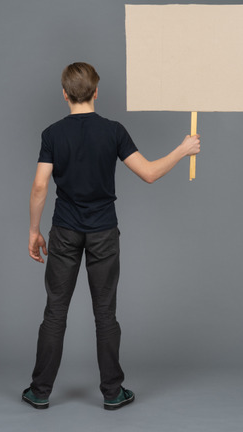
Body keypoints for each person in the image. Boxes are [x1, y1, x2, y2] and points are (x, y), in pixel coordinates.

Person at [22, 62, 200, 411]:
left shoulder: (52, 134)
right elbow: (148, 173)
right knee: (105, 313)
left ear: (64, 93)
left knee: (55, 311)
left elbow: (40, 185)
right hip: (103, 231)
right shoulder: (114, 131)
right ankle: (112, 393)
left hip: (64, 231)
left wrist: (33, 230)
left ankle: (40, 392)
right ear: (97, 91)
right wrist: (182, 150)